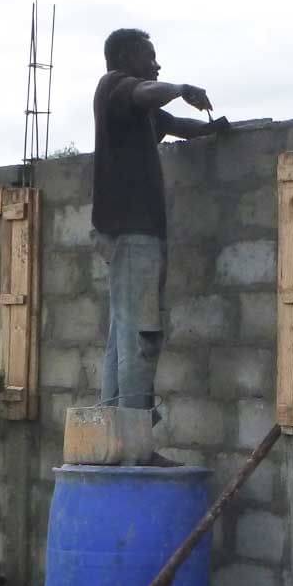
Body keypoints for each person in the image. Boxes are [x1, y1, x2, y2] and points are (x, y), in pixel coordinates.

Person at [93, 28, 229, 410]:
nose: (156, 65)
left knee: (122, 336)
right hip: (132, 233)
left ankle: (112, 433)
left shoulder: (138, 114)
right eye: (149, 57)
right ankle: (134, 443)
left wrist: (211, 130)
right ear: (126, 61)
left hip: (129, 233)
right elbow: (145, 92)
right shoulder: (114, 87)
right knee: (141, 337)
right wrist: (182, 87)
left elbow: (173, 125)